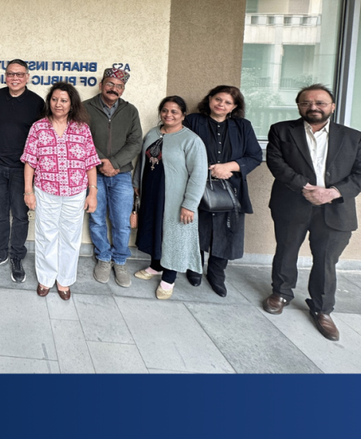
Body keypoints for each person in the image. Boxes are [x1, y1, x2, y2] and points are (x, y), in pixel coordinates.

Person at [263, 84, 361, 342]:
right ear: (299, 106)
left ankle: (322, 309)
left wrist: (332, 192)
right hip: (292, 202)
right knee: (286, 250)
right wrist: (305, 187)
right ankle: (281, 293)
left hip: (335, 208)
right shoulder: (281, 130)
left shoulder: (355, 137)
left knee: (327, 260)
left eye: (320, 102)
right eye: (306, 102)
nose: (313, 107)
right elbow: (276, 162)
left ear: (332, 106)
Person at [21, 82, 99, 300]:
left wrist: (92, 193)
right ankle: (46, 279)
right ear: (49, 101)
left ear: (72, 104)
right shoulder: (38, 127)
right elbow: (29, 162)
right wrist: (28, 191)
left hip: (75, 193)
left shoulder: (82, 129)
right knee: (46, 235)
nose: (59, 104)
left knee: (70, 237)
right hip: (46, 191)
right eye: (55, 99)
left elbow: (91, 163)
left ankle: (64, 280)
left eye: (64, 100)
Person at [183, 85, 262, 296]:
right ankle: (194, 267)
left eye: (228, 102)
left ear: (234, 106)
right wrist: (207, 169)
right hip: (198, 184)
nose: (221, 104)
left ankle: (217, 273)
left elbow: (254, 156)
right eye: (218, 99)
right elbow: (183, 149)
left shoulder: (242, 126)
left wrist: (229, 167)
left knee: (226, 230)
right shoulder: (192, 121)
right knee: (197, 226)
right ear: (209, 99)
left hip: (231, 188)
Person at [133, 96, 207, 300]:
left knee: (174, 235)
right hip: (151, 192)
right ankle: (156, 266)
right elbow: (143, 159)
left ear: (183, 114)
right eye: (165, 110)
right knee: (155, 230)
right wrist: (137, 184)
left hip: (175, 197)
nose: (169, 114)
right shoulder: (153, 133)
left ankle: (169, 278)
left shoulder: (191, 140)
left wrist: (189, 204)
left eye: (174, 111)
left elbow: (199, 175)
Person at [0, 59, 44, 282]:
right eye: (11, 74)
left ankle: (17, 256)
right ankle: (0, 254)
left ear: (27, 77)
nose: (15, 78)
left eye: (19, 74)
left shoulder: (37, 102)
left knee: (19, 215)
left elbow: (40, 137)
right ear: (5, 76)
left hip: (22, 169)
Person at [84, 67, 142, 287]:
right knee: (97, 219)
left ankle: (120, 260)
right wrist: (101, 162)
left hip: (121, 174)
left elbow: (135, 142)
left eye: (119, 86)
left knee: (121, 221)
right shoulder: (85, 108)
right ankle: (103, 258)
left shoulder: (130, 111)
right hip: (93, 173)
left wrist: (115, 164)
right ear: (101, 85)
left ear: (123, 89)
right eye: (110, 84)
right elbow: (82, 138)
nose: (114, 89)